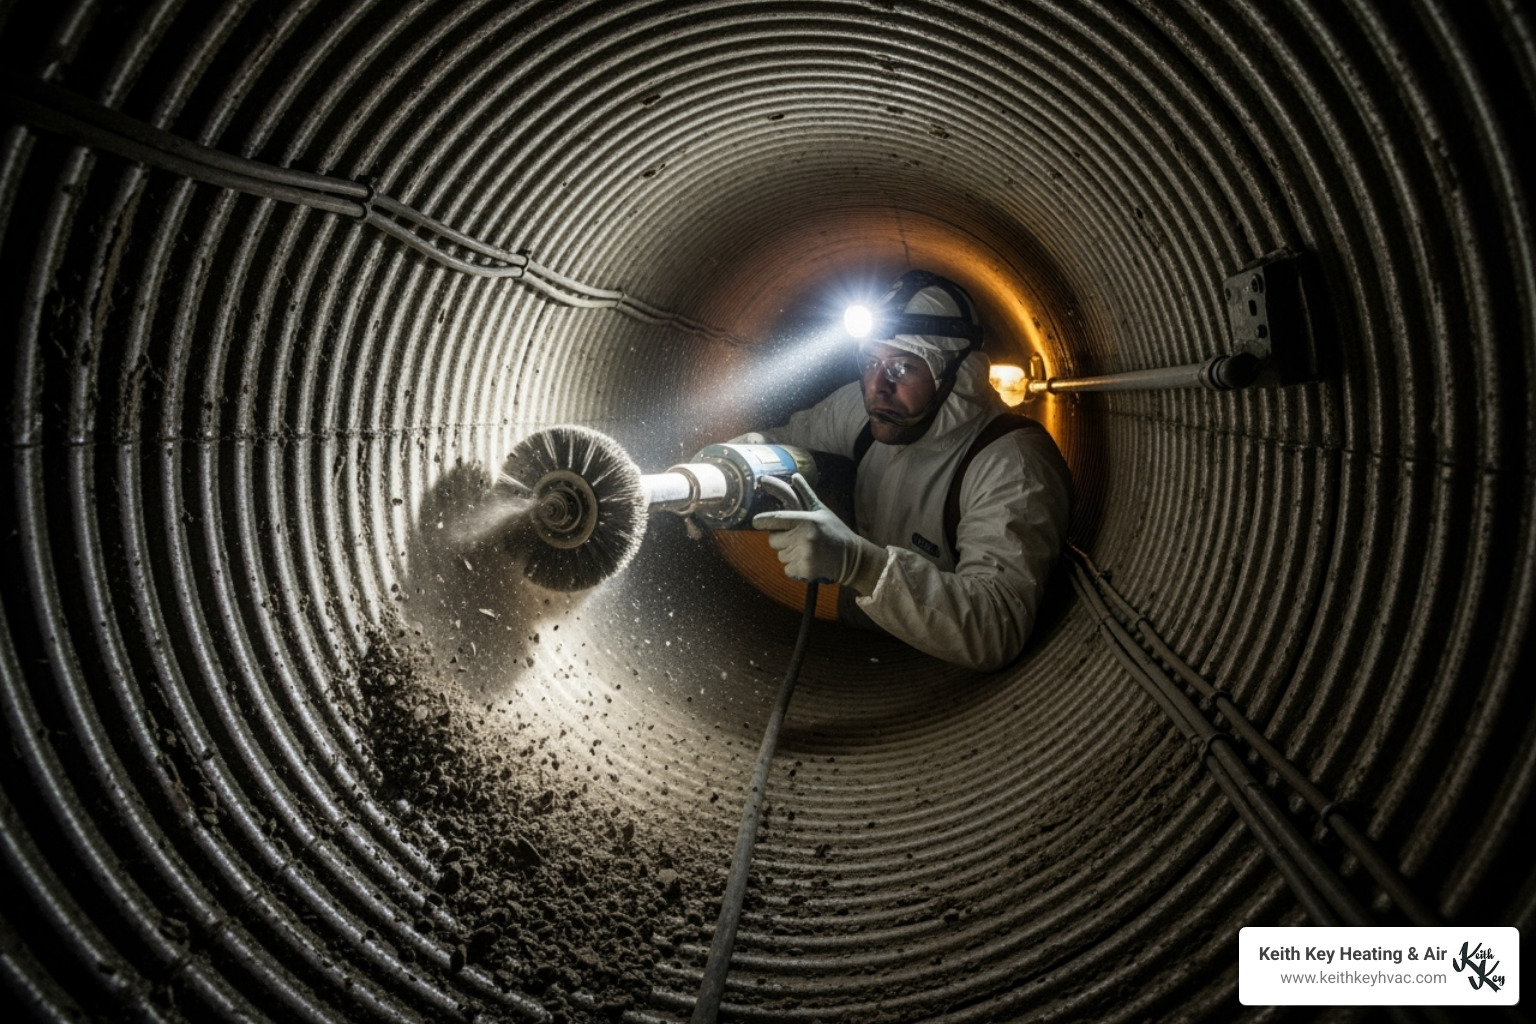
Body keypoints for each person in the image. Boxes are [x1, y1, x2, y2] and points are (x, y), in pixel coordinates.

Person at [742, 270, 1073, 671]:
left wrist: (860, 565)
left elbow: (994, 628)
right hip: (857, 648)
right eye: (869, 361)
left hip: (949, 685)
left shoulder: (1012, 464)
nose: (876, 386)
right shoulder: (864, 411)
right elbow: (788, 441)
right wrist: (730, 464)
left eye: (901, 368)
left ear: (953, 375)